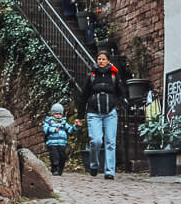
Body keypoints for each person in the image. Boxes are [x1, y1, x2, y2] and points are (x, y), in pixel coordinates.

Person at [78, 50, 127, 180]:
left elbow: (121, 93)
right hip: (94, 113)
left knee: (110, 142)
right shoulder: (91, 76)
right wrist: (79, 116)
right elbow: (83, 96)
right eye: (99, 59)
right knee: (96, 141)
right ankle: (94, 164)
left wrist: (117, 105)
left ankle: (109, 171)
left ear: (108, 61)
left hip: (110, 113)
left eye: (103, 59)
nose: (100, 61)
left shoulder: (114, 76)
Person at [42, 103, 81, 175]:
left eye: (60, 114)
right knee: (55, 157)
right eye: (56, 113)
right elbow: (45, 129)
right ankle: (54, 170)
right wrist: (53, 129)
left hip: (62, 143)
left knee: (63, 157)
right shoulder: (49, 121)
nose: (58, 115)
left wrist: (76, 126)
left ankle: (60, 170)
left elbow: (69, 129)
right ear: (52, 114)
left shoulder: (63, 122)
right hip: (52, 143)